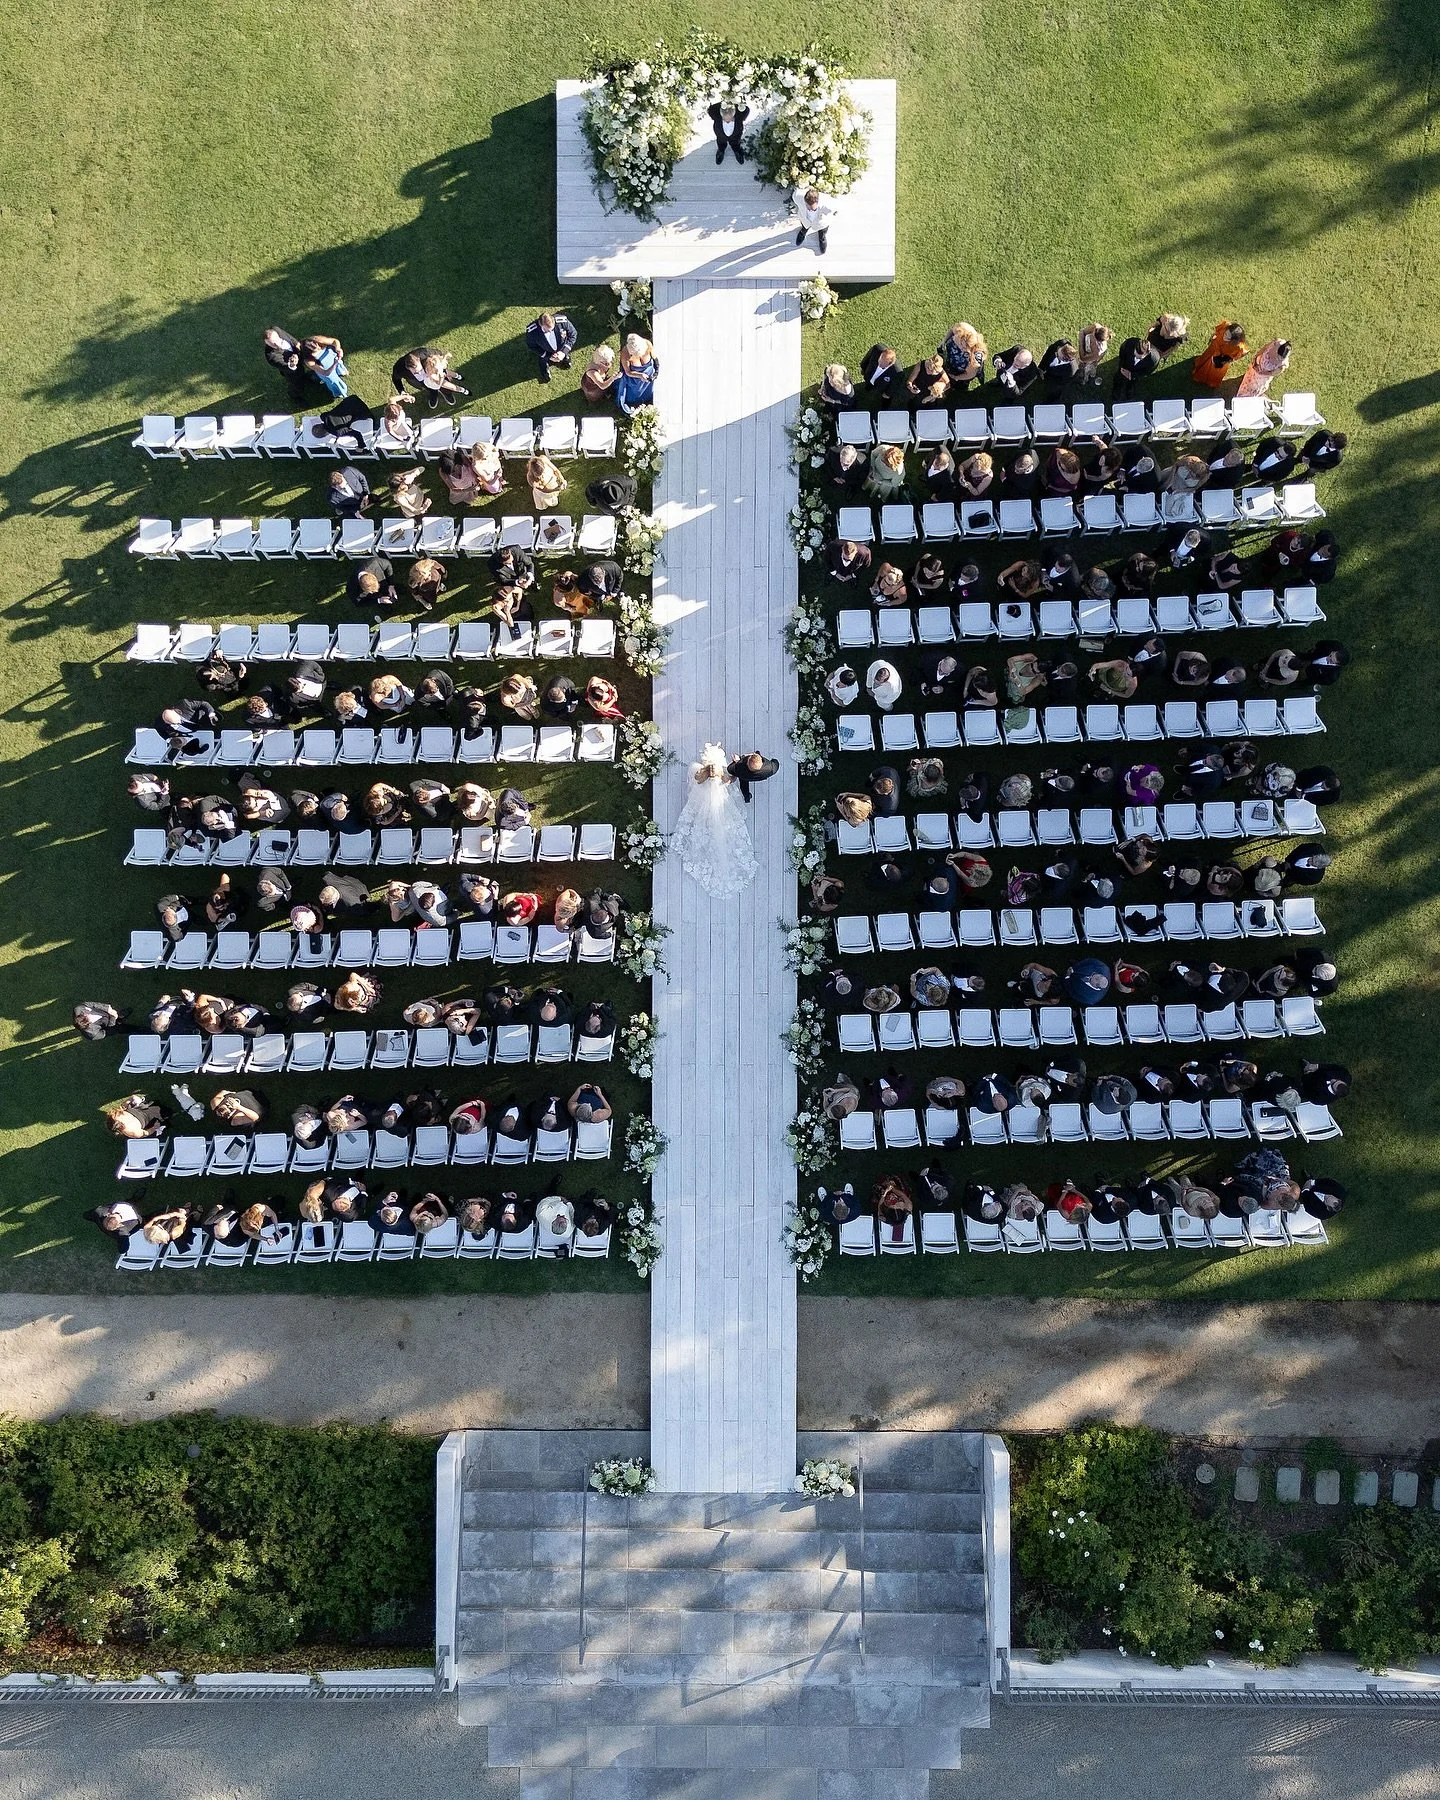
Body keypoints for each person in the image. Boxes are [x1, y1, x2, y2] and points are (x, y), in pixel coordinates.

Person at [669, 744, 758, 897]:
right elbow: (730, 781)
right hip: (718, 800)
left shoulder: (698, 772)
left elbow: (694, 782)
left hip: (704, 798)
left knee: (701, 817)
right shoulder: (721, 775)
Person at [616, 333, 659, 414]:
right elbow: (628, 372)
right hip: (635, 378)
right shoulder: (625, 354)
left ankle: (648, 397)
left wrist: (656, 372)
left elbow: (655, 358)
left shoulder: (647, 344)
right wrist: (640, 375)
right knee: (632, 398)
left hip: (649, 373)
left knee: (650, 391)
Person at [299, 332, 348, 398]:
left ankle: (340, 371)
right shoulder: (309, 360)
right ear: (309, 352)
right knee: (333, 381)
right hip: (327, 370)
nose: (319, 347)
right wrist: (334, 363)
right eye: (315, 349)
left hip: (332, 358)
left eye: (317, 345)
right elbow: (325, 373)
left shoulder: (318, 339)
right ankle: (339, 392)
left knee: (338, 368)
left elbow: (334, 341)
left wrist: (338, 349)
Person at [263, 325, 303, 398]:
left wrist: (297, 343)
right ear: (266, 342)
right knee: (296, 385)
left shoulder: (276, 329)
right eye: (271, 343)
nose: (276, 344)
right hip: (291, 373)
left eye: (276, 340)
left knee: (302, 373)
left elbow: (289, 337)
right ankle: (295, 396)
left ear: (277, 334)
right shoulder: (271, 355)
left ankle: (304, 377)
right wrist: (292, 364)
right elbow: (282, 365)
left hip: (299, 360)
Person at [793, 185, 834, 253]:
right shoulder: (797, 196)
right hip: (805, 219)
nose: (810, 209)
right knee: (804, 226)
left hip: (821, 223)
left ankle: (822, 238)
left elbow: (834, 210)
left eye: (812, 208)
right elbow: (795, 195)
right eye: (807, 206)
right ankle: (803, 232)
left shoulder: (827, 203)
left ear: (818, 202)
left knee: (822, 231)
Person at [708, 97, 748, 162]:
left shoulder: (740, 116)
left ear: (734, 115)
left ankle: (737, 150)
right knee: (721, 143)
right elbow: (711, 109)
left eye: (730, 118)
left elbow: (746, 109)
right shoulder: (716, 116)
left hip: (735, 136)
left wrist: (734, 102)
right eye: (724, 118)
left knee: (736, 143)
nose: (727, 121)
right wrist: (724, 103)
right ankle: (721, 151)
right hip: (721, 136)